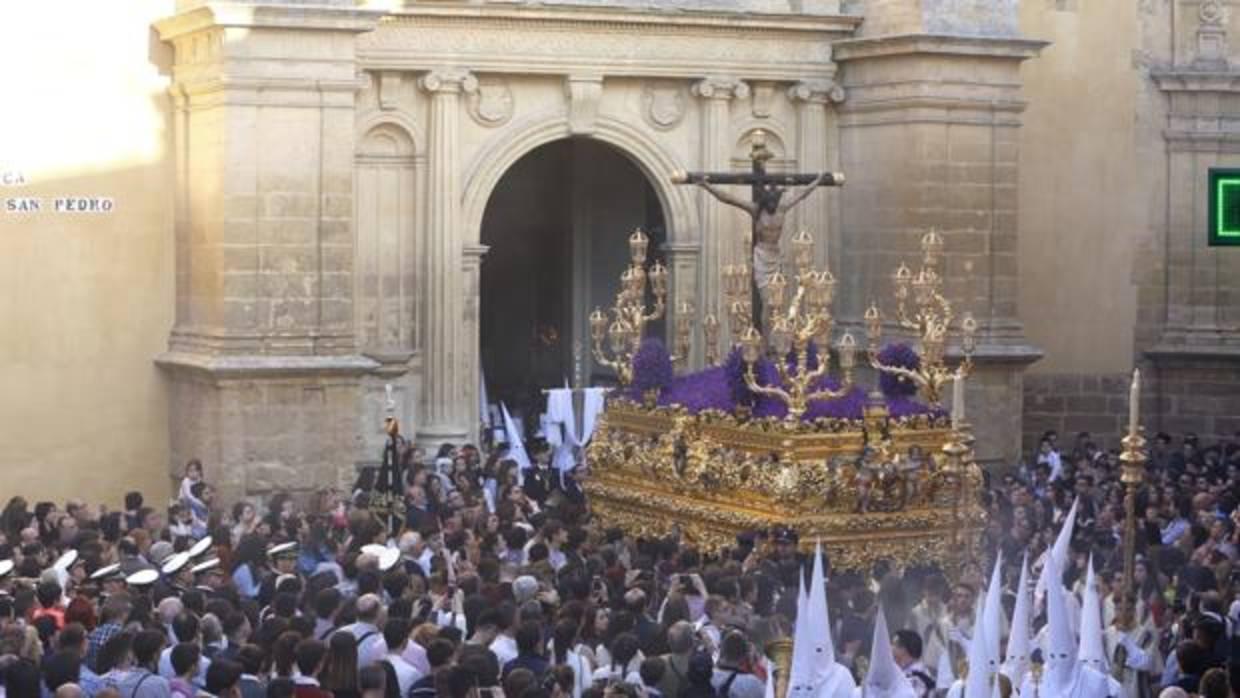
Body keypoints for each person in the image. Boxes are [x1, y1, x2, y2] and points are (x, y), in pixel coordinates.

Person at [892, 630, 934, 698]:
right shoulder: (902, 674)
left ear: (905, 649)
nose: (891, 648)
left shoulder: (917, 677)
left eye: (895, 645)